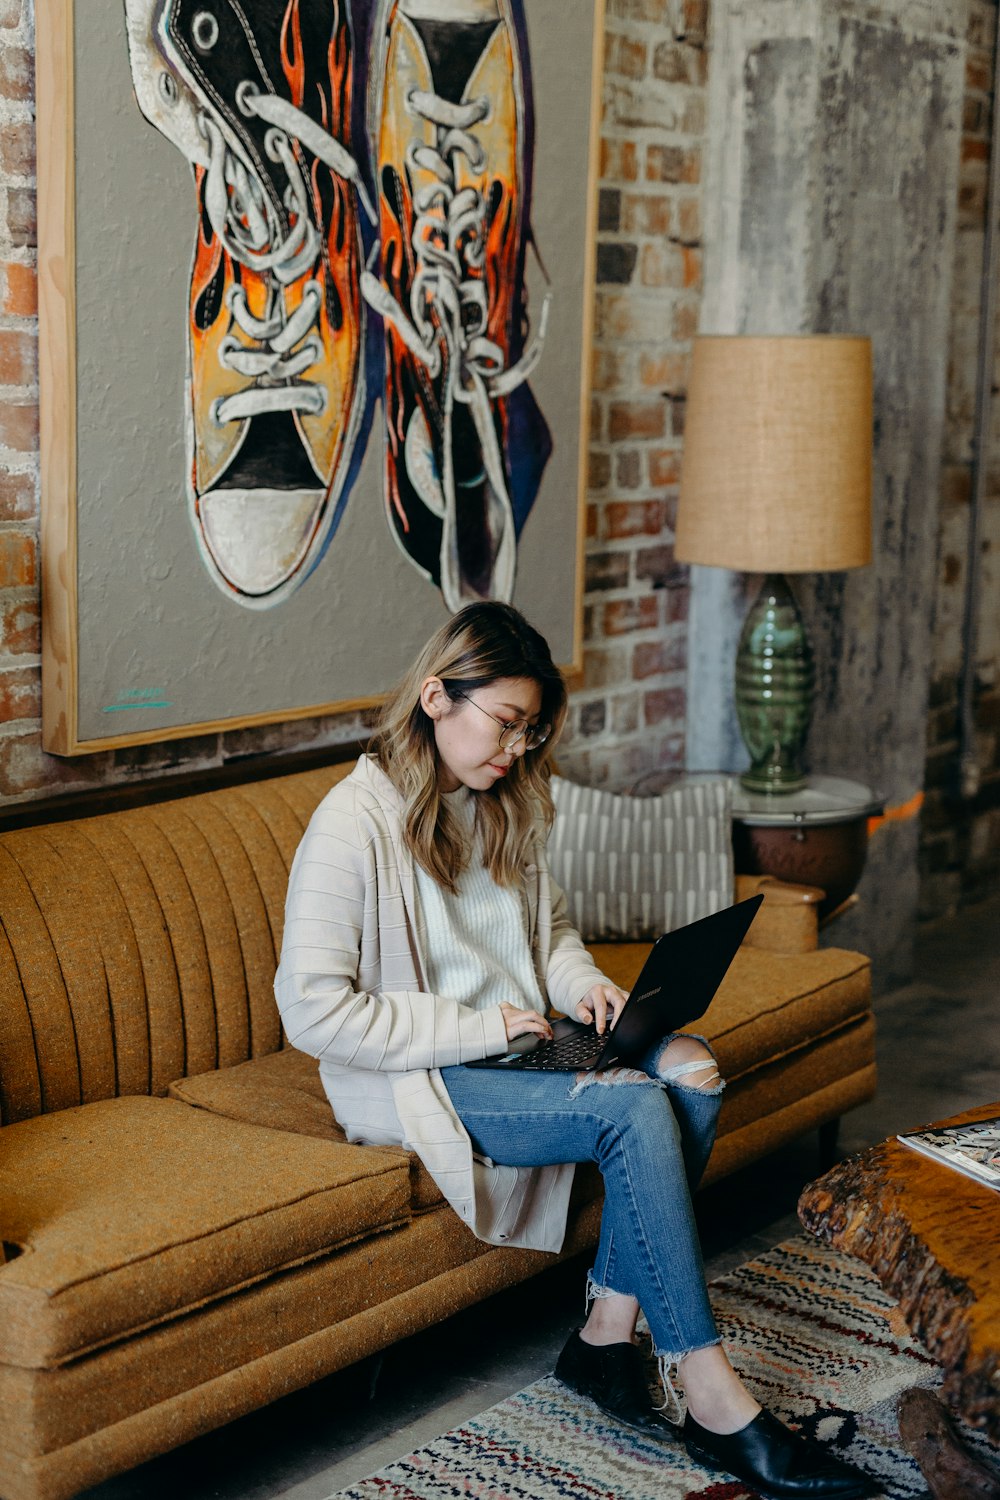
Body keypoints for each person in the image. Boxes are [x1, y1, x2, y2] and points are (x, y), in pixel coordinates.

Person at [275, 602, 873, 1500]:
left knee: (691, 1070)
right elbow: (311, 1013)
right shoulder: (351, 822)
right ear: (436, 696)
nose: (514, 750)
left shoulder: (502, 801)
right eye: (505, 725)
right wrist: (486, 1028)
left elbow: (546, 931)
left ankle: (603, 1341)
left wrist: (578, 985)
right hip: (429, 1076)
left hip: (523, 1044)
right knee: (635, 1103)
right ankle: (710, 1391)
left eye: (528, 732)